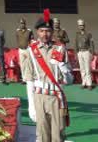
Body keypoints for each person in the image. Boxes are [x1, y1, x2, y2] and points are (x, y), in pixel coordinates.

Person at [25, 10, 69, 142]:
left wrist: (63, 67)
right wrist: (31, 105)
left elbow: (70, 79)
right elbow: (29, 80)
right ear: (37, 32)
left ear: (52, 32)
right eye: (42, 31)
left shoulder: (60, 49)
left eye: (48, 31)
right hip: (39, 96)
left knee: (58, 135)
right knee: (42, 134)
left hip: (56, 96)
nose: (45, 34)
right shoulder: (31, 51)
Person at [74, 19, 95, 89]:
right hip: (80, 52)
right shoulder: (77, 34)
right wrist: (76, 53)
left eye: (82, 25)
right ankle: (84, 83)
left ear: (84, 26)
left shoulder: (88, 34)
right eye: (80, 25)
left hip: (86, 52)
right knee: (82, 69)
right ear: (78, 26)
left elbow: (92, 44)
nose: (81, 26)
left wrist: (92, 53)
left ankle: (89, 84)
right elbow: (75, 44)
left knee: (87, 68)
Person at [15, 19, 33, 83]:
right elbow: (17, 39)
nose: (22, 24)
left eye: (23, 23)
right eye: (21, 23)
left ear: (25, 24)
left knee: (29, 64)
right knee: (22, 64)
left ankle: (29, 77)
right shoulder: (17, 31)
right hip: (21, 49)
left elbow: (32, 39)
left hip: (28, 49)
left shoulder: (29, 31)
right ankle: (24, 79)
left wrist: (30, 46)